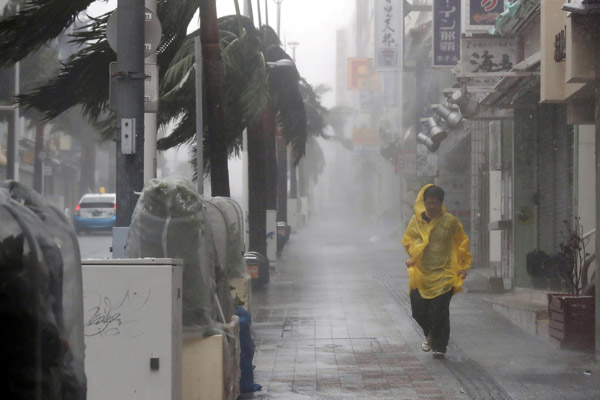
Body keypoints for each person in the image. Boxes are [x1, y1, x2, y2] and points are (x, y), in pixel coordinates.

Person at [401, 184, 471, 359]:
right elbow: (408, 240)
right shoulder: (416, 221)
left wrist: (462, 266)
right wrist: (413, 253)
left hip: (445, 273)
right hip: (421, 274)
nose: (431, 206)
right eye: (428, 203)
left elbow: (461, 244)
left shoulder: (450, 222)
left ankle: (440, 346)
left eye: (435, 203)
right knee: (418, 310)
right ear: (424, 203)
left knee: (439, 311)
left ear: (441, 204)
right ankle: (430, 334)